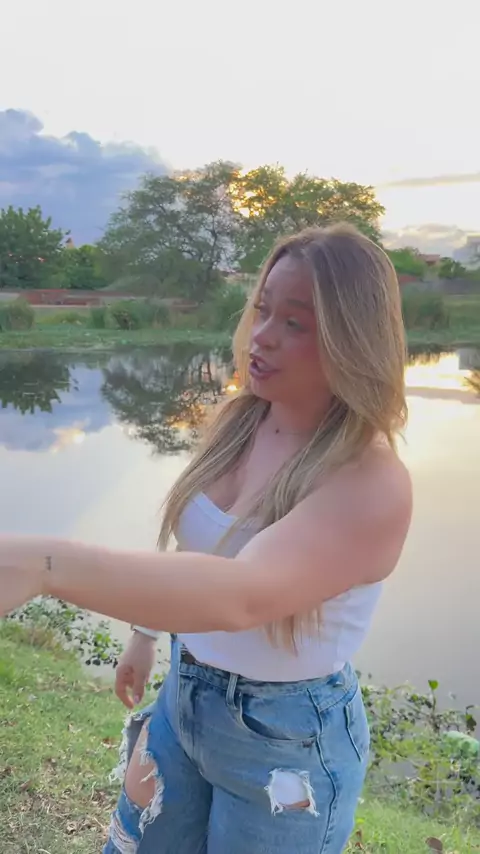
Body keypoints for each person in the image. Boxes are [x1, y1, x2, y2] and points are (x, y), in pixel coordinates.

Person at [0, 223, 412, 854]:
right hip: (185, 695)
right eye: (262, 309)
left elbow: (240, 594)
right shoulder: (240, 421)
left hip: (287, 743)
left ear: (352, 339)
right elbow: (201, 550)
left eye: (296, 323)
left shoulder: (369, 481)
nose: (262, 335)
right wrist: (146, 634)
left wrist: (43, 565)